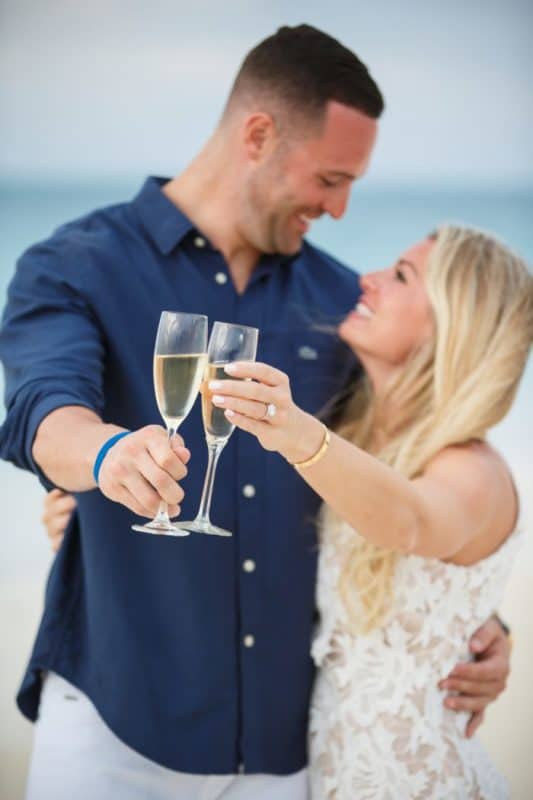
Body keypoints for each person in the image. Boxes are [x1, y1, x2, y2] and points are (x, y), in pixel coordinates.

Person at [0, 24, 510, 800]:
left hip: (287, 746)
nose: (339, 210)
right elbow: (45, 407)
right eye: (330, 178)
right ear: (259, 135)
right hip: (113, 724)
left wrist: (474, 624)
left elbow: (412, 459)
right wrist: (106, 459)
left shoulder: (346, 305)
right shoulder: (78, 264)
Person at [206, 226, 532, 797]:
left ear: (450, 324)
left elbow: (408, 524)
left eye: (401, 275)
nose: (368, 279)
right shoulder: (359, 434)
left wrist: (293, 430)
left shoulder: (473, 470)